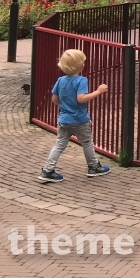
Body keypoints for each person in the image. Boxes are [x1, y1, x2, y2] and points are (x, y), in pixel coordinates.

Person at [37, 48, 111, 182]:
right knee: (87, 143)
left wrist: (65, 107)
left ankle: (48, 170)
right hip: (79, 120)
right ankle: (93, 167)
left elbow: (54, 99)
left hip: (63, 120)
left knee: (59, 144)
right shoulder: (81, 80)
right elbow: (81, 99)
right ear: (81, 66)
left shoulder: (60, 80)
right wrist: (99, 91)